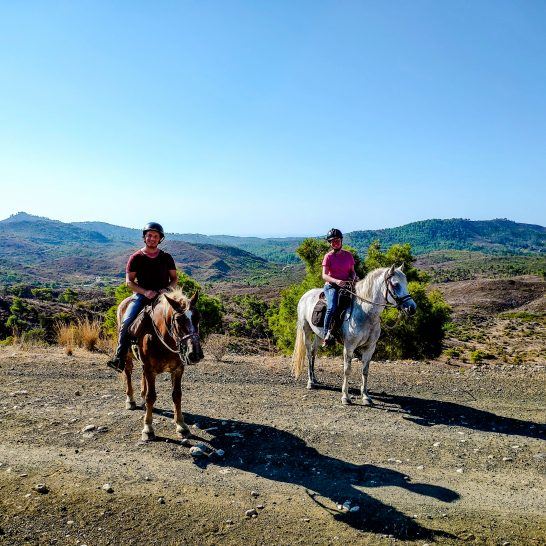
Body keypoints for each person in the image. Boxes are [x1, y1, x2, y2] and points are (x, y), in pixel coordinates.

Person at [107, 222, 178, 372]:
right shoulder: (136, 258)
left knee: (183, 318)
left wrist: (166, 290)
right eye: (149, 235)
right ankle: (119, 357)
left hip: (162, 297)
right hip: (141, 296)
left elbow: (174, 279)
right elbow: (129, 282)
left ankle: (186, 352)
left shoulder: (166, 257)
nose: (152, 238)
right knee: (126, 323)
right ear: (145, 237)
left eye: (156, 236)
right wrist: (145, 292)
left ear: (160, 239)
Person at [321, 228, 357, 347]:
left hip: (346, 285)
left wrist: (354, 277)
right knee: (332, 307)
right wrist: (336, 281)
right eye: (332, 241)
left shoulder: (348, 255)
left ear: (341, 241)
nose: (335, 243)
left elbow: (352, 271)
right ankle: (326, 335)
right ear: (330, 243)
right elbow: (324, 275)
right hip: (331, 286)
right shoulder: (328, 257)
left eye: (337, 240)